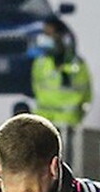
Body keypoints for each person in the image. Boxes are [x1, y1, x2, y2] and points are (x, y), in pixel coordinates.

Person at [31, 16, 91, 145]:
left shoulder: (78, 66)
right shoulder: (41, 63)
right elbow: (36, 88)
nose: (45, 38)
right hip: (44, 125)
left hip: (69, 127)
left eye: (49, 34)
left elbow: (87, 94)